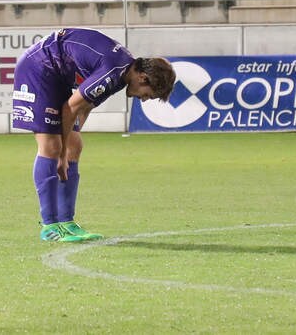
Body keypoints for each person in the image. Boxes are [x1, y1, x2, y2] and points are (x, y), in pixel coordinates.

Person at [12, 28, 176, 242]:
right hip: (38, 68)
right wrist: (61, 155)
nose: (143, 100)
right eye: (147, 95)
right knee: (52, 147)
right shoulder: (113, 71)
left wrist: (71, 139)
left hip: (55, 73)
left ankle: (67, 222)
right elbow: (70, 109)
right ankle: (50, 226)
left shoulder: (122, 73)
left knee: (75, 146)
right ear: (143, 78)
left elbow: (84, 106)